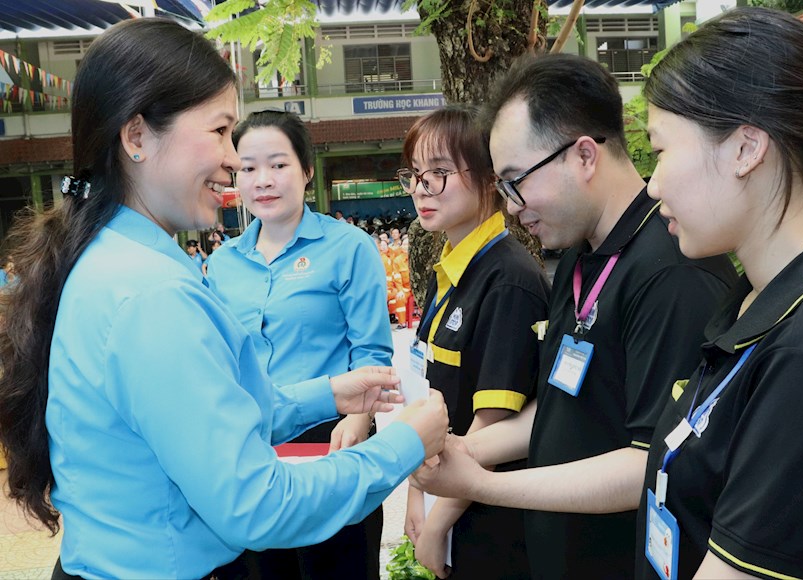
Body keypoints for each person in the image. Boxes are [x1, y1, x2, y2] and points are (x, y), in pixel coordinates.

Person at [416, 9, 803, 579]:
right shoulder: (758, 306)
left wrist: (479, 484)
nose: (652, 185)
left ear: (746, 149)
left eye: (661, 151)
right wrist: (465, 455)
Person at [0, 19, 448, 580]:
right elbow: (256, 504)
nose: (236, 161)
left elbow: (206, 414)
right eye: (219, 131)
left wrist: (327, 394)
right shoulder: (153, 292)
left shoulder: (114, 260)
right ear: (136, 137)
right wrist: (404, 444)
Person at [410, 54, 737, 579]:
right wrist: (461, 449)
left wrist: (482, 484)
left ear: (584, 155)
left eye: (516, 181)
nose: (511, 205)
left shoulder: (672, 271)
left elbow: (649, 462)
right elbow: (559, 406)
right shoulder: (578, 258)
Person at [206, 109, 393, 579]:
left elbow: (372, 352)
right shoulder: (222, 263)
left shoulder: (349, 247)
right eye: (248, 168)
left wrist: (358, 421)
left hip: (333, 439)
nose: (263, 180)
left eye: (278, 164)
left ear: (307, 170)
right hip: (254, 448)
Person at [398, 105, 550, 579]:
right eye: (415, 174)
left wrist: (437, 521)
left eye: (439, 173)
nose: (421, 188)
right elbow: (429, 395)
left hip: (488, 518)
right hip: (448, 498)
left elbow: (492, 423)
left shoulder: (509, 281)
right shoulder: (448, 269)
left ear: (489, 178)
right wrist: (417, 492)